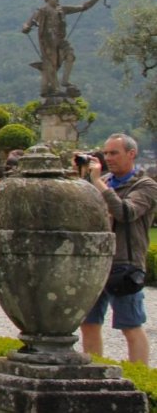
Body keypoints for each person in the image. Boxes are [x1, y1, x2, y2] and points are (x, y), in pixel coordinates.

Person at [81, 133, 157, 364]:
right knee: (88, 323)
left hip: (125, 264)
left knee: (130, 326)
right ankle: (94, 375)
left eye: (114, 153)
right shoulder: (103, 180)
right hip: (96, 262)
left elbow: (126, 212)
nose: (108, 158)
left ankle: (139, 380)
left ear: (131, 154)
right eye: (106, 153)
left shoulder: (146, 186)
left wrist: (99, 184)